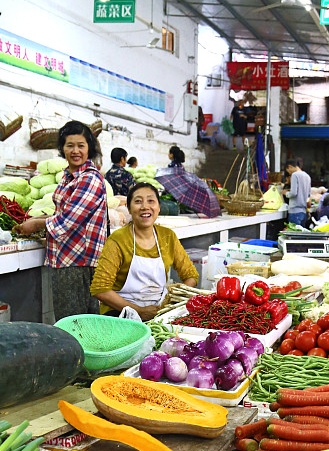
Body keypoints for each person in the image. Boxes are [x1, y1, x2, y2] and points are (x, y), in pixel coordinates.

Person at [15, 120, 107, 321]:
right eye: (69, 145)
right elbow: (64, 213)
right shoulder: (69, 177)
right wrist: (38, 217)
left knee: (75, 323)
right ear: (62, 148)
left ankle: (80, 354)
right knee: (72, 320)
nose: (75, 151)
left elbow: (69, 221)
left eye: (81, 146)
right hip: (66, 259)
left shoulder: (89, 178)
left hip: (78, 262)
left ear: (89, 148)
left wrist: (36, 224)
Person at [90, 183, 198, 320]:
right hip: (121, 314)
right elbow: (100, 289)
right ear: (128, 208)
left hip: (159, 311)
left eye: (151, 201)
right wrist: (139, 311)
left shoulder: (167, 236)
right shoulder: (118, 240)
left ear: (158, 207)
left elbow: (191, 276)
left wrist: (172, 301)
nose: (145, 207)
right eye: (138, 201)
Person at [285, 160, 311, 226]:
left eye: (288, 171)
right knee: (301, 234)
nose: (289, 174)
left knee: (294, 234)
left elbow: (293, 193)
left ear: (289, 166)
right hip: (303, 212)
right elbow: (308, 195)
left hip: (295, 211)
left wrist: (286, 193)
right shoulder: (307, 176)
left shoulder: (295, 175)